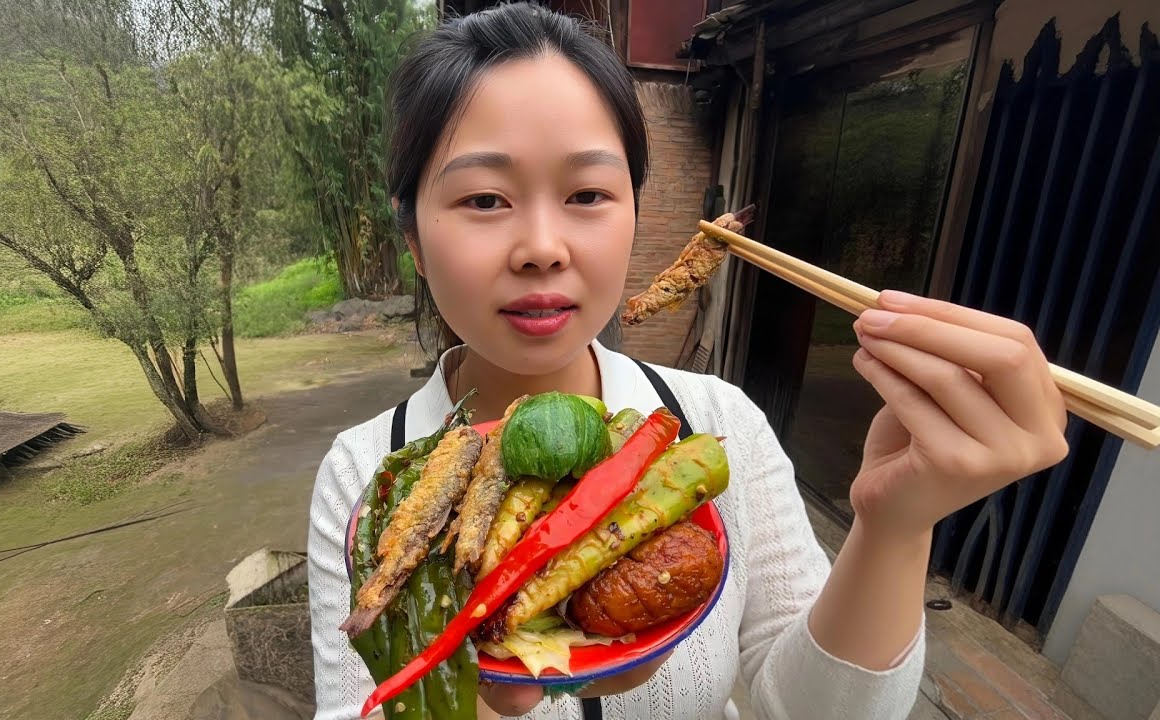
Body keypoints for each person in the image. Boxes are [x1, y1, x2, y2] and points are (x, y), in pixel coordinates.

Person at [306, 5, 1069, 719]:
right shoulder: (367, 472)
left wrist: (895, 527)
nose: (542, 247)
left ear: (635, 214)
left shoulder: (715, 422)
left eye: (587, 193)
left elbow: (810, 708)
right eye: (484, 199)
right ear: (412, 237)